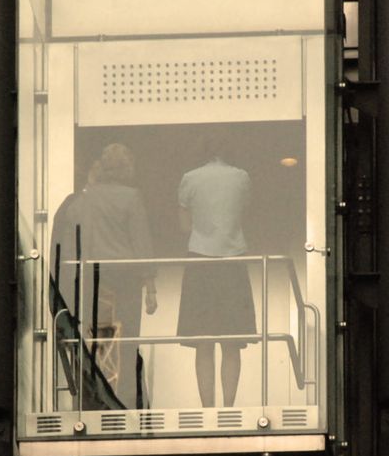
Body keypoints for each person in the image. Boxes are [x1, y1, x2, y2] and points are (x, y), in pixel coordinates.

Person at [48, 143, 157, 409]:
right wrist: (151, 287)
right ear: (127, 168)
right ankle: (125, 402)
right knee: (126, 341)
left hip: (93, 280)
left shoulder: (85, 198)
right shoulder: (132, 197)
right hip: (125, 281)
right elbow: (142, 244)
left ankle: (96, 402)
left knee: (98, 339)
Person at [175, 135, 255, 408]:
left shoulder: (190, 178)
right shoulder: (241, 177)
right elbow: (244, 212)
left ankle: (207, 407)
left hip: (200, 261)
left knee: (203, 341)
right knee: (232, 343)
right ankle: (229, 405)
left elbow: (184, 226)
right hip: (233, 260)